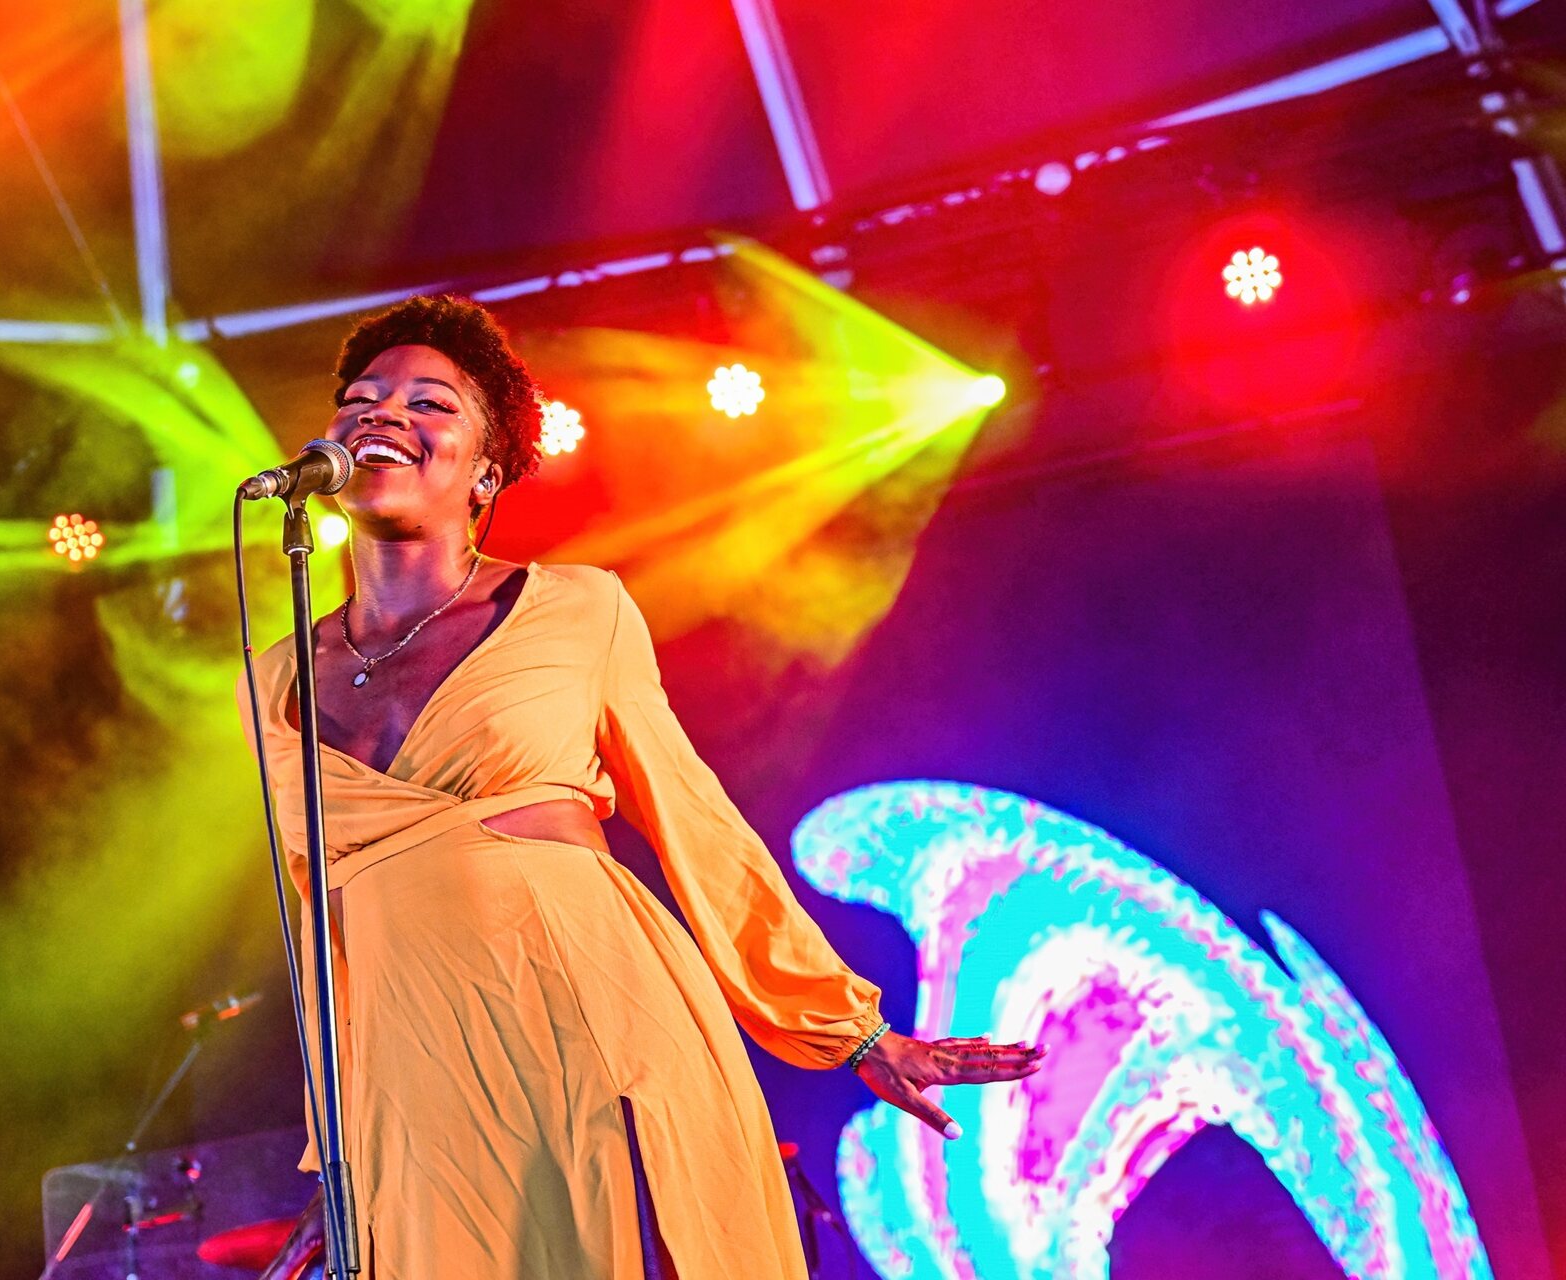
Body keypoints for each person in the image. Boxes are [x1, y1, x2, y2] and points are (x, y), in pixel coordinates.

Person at [238, 296, 1044, 1280]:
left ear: (487, 471)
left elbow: (695, 820)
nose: (383, 415)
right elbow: (320, 926)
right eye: (362, 399)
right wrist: (340, 1147)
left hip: (589, 1005)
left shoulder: (577, 609)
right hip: (415, 1072)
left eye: (429, 403)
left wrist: (847, 1025)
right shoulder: (270, 677)